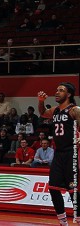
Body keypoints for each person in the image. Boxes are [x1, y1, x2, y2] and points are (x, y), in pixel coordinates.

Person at [38, 82, 80, 226]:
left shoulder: (74, 110)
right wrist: (41, 102)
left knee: (73, 190)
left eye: (61, 90)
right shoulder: (55, 110)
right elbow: (43, 113)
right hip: (58, 154)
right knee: (53, 188)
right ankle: (63, 222)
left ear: (68, 94)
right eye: (56, 90)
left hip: (71, 153)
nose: (57, 92)